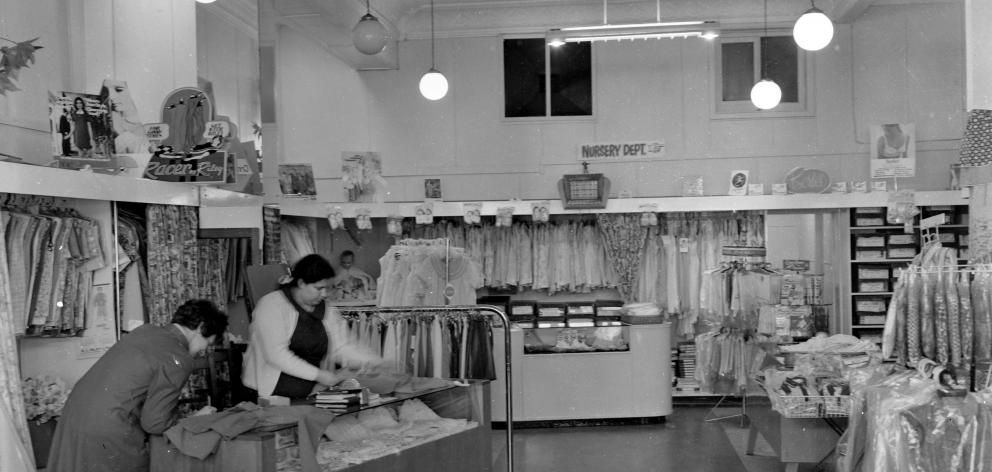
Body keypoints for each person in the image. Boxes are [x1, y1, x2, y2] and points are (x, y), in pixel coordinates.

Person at [46, 299, 228, 472]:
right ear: (200, 328)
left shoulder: (145, 330)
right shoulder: (179, 356)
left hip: (75, 414)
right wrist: (194, 418)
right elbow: (155, 424)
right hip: (108, 427)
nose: (203, 351)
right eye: (207, 343)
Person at [242, 254, 382, 400]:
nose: (324, 294)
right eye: (319, 288)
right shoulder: (271, 306)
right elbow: (276, 355)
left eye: (327, 288)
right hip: (267, 393)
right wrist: (319, 375)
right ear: (301, 283)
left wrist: (370, 360)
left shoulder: (326, 310)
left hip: (308, 391)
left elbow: (341, 346)